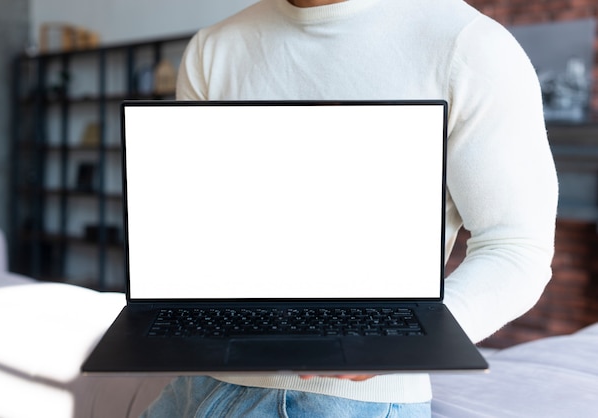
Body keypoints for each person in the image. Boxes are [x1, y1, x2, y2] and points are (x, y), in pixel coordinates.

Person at [141, 0, 559, 416]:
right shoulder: (212, 47)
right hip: (196, 379)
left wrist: (404, 341)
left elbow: (516, 248)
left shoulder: (468, 45)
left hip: (349, 401)